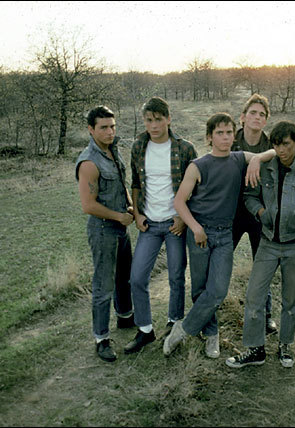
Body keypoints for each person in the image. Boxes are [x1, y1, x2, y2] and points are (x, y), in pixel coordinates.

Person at [164, 112, 276, 359]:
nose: (225, 137)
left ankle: (183, 329)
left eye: (229, 133)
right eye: (219, 133)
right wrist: (195, 228)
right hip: (200, 233)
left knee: (217, 290)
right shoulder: (198, 165)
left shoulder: (238, 159)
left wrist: (257, 159)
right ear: (209, 137)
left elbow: (273, 152)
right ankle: (211, 335)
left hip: (225, 234)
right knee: (200, 288)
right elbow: (179, 202)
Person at [225, 121, 295, 369]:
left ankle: (285, 345)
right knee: (254, 297)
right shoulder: (264, 169)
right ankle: (255, 349)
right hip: (268, 244)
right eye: (276, 145)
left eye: (286, 144)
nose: (281, 150)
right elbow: (249, 196)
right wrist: (261, 212)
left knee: (290, 300)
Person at [124, 97, 198, 355]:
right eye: (148, 120)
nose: (153, 125)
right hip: (149, 224)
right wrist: (137, 215)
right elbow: (135, 183)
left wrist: (183, 218)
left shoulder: (184, 148)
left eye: (158, 119)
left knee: (176, 276)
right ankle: (145, 330)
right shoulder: (138, 147)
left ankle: (174, 323)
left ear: (168, 119)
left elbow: (195, 187)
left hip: (174, 223)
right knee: (137, 278)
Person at [75, 105, 135, 363]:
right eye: (104, 128)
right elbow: (88, 205)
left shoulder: (113, 150)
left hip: (121, 226)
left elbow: (121, 184)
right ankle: (101, 339)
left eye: (112, 126)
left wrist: (131, 206)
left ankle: (125, 317)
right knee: (103, 285)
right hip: (103, 229)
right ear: (91, 129)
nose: (110, 132)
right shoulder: (89, 162)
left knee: (124, 276)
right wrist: (118, 216)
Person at [231, 94, 277, 335]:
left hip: (259, 212)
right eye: (253, 113)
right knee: (219, 260)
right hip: (231, 212)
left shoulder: (271, 145)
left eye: (262, 114)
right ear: (243, 117)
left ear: (266, 120)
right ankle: (209, 309)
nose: (257, 117)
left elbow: (279, 155)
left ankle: (265, 315)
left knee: (263, 265)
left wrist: (260, 157)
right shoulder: (230, 140)